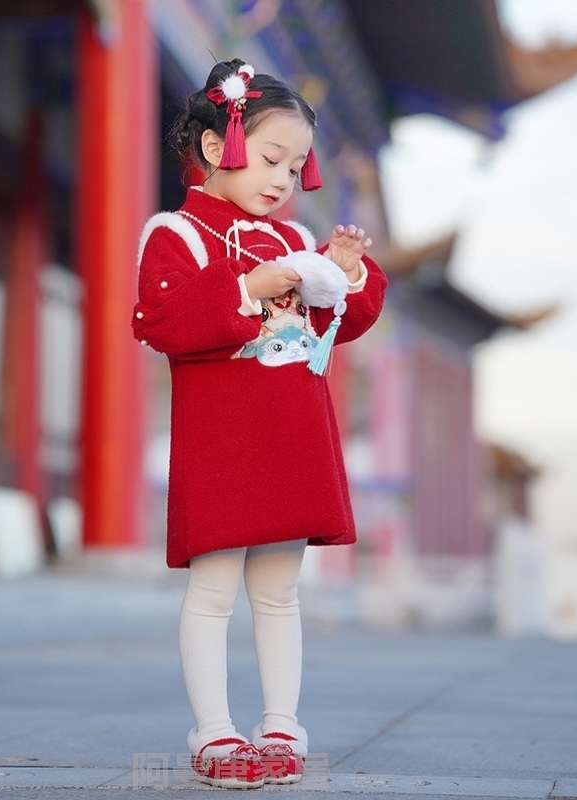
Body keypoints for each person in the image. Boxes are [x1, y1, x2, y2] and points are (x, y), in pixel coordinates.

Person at [132, 58, 387, 789]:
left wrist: (344, 271)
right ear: (218, 148)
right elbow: (162, 322)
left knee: (280, 592)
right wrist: (247, 285)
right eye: (272, 158)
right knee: (212, 595)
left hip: (290, 436)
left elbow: (342, 322)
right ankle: (214, 733)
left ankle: (282, 724)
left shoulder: (290, 241)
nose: (283, 178)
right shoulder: (173, 233)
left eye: (297, 165)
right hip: (222, 442)